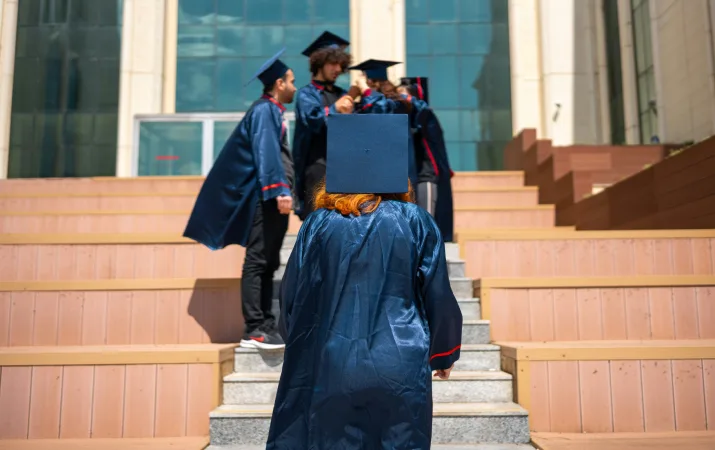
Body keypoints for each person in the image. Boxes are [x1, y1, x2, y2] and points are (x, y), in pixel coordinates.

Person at [266, 114, 463, 449]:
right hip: (400, 362)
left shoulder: (317, 224)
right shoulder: (416, 221)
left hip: (331, 361)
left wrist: (299, 347)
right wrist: (443, 353)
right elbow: (438, 295)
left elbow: (292, 295)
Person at [183, 48, 296, 350]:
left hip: (273, 199)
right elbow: (265, 152)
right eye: (291, 81)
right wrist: (279, 190)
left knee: (270, 260)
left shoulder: (273, 111)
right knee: (258, 260)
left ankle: (266, 325)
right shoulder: (264, 110)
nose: (294, 87)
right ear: (278, 84)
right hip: (266, 198)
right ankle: (254, 329)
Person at [292, 31, 358, 220]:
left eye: (340, 64)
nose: (337, 69)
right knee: (317, 220)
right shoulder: (307, 94)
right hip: (317, 168)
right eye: (332, 63)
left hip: (344, 168)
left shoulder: (342, 93)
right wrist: (336, 108)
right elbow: (312, 121)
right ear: (319, 63)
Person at [399, 76, 455, 241]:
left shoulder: (426, 120)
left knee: (425, 226)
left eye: (403, 95)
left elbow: (422, 111)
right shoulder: (402, 123)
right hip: (407, 183)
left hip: (425, 180)